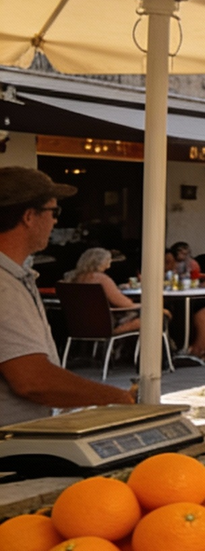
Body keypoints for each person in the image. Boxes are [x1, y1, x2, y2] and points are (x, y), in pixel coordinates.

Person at [0, 168, 134, 424]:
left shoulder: (15, 276)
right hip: (11, 446)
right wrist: (117, 397)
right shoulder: (3, 285)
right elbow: (33, 380)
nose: (55, 222)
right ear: (29, 216)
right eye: (54, 212)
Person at [63, 247, 148, 332]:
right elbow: (125, 304)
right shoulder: (100, 279)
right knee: (151, 315)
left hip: (78, 325)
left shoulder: (72, 278)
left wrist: (117, 289)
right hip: (103, 325)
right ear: (102, 262)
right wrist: (146, 306)